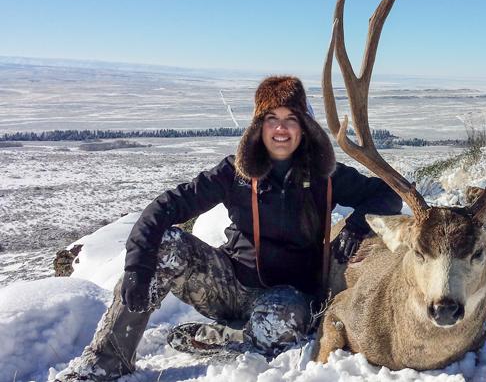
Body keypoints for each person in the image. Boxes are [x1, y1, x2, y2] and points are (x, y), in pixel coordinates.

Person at [54, 76, 402, 381]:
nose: (281, 129)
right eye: (271, 119)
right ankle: (107, 360)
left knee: (279, 327)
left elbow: (386, 194)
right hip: (228, 285)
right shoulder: (234, 172)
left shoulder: (326, 175)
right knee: (165, 244)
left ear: (305, 128)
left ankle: (230, 339)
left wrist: (356, 225)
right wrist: (137, 266)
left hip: (288, 296)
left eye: (291, 119)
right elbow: (165, 207)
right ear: (258, 127)